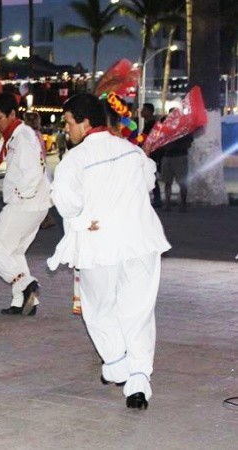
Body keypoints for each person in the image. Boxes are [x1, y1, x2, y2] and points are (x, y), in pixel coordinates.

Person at [48, 93, 170, 410]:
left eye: (69, 123)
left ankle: (118, 365)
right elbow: (148, 182)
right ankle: (138, 380)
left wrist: (81, 219)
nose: (66, 129)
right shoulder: (131, 150)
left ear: (86, 122)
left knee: (100, 309)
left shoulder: (75, 159)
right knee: (138, 313)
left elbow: (65, 202)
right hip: (140, 241)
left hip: (100, 243)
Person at [0, 93, 51, 316]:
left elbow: (33, 170)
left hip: (25, 204)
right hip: (35, 204)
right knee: (14, 252)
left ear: (12, 114)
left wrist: (21, 194)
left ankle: (27, 284)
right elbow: (6, 153)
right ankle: (23, 301)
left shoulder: (22, 137)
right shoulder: (17, 135)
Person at [160, 124, 192, 212]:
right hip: (167, 156)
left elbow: (188, 144)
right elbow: (161, 141)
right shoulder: (166, 129)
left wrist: (175, 144)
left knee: (182, 182)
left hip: (179, 156)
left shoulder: (184, 129)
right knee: (167, 182)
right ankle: (167, 204)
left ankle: (183, 205)